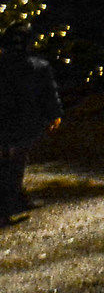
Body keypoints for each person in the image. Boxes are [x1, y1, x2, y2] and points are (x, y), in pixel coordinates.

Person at [1, 29, 62, 221]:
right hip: (22, 121)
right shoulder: (38, 67)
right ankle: (9, 204)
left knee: (12, 160)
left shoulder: (32, 67)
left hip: (14, 120)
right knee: (15, 161)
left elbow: (48, 93)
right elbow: (48, 93)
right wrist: (54, 114)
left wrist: (54, 113)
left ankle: (13, 200)